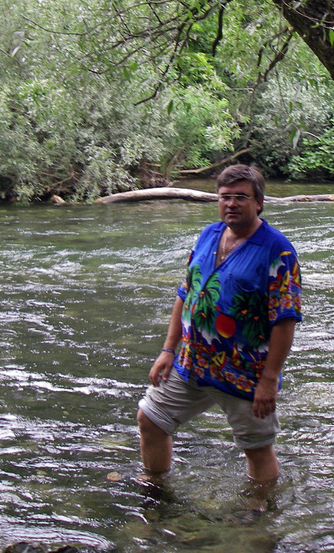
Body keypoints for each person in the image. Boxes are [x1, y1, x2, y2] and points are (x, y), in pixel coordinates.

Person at [136, 164, 303, 488]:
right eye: (225, 197)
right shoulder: (208, 235)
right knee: (150, 420)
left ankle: (260, 511)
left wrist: (269, 379)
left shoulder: (277, 251)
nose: (231, 203)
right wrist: (168, 349)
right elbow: (185, 295)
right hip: (192, 365)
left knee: (256, 449)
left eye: (241, 197)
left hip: (245, 375)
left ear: (259, 202)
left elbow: (284, 320)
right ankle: (157, 488)